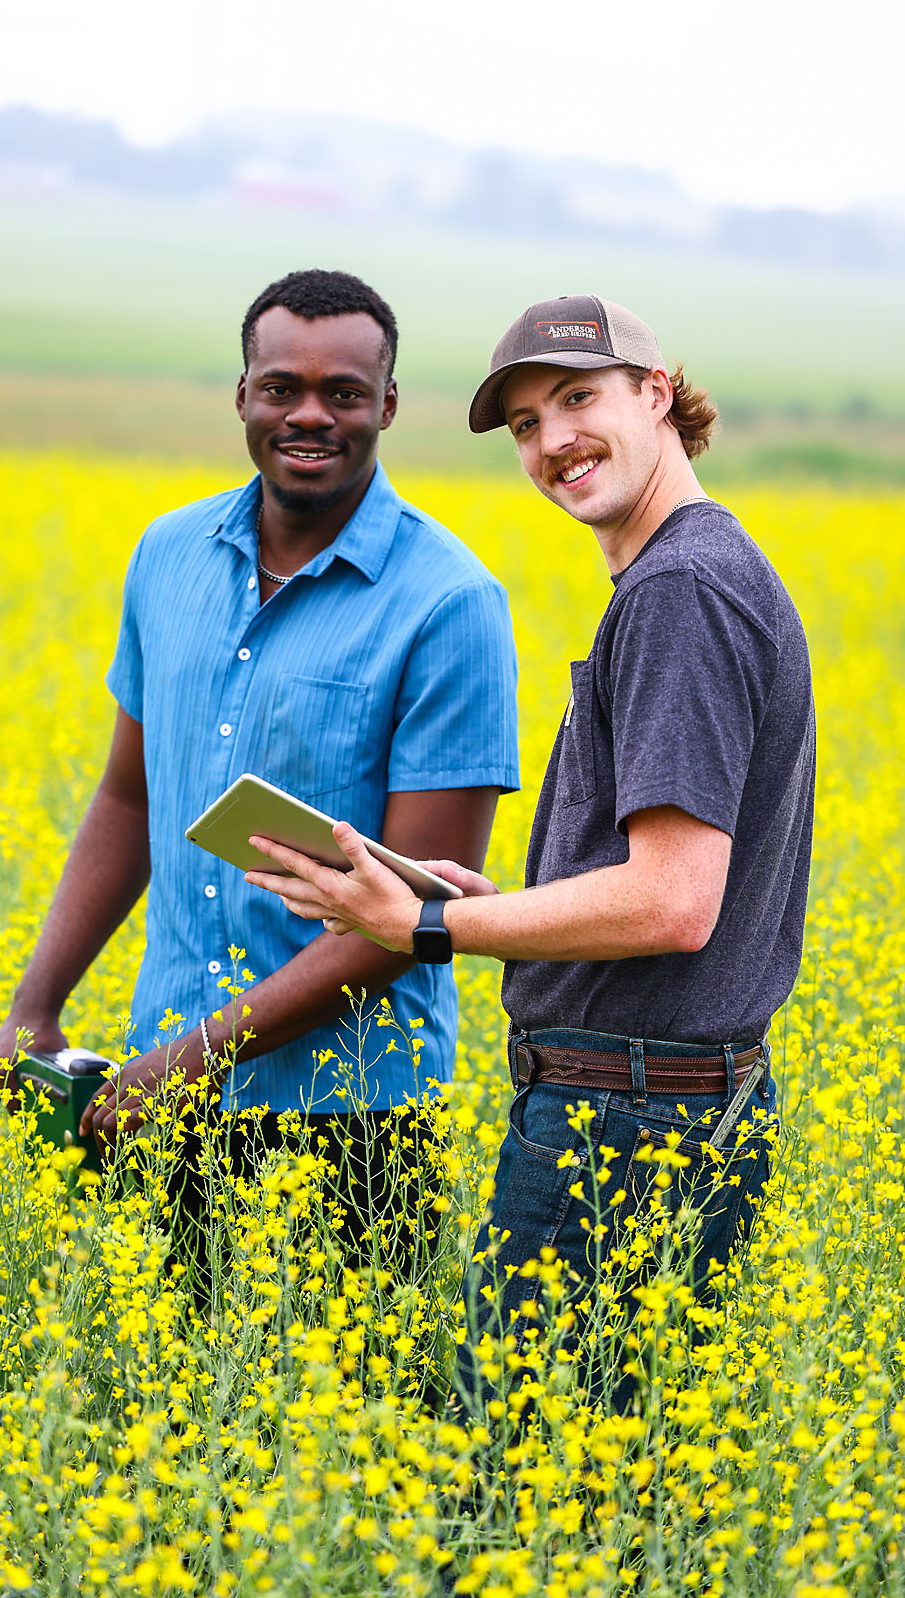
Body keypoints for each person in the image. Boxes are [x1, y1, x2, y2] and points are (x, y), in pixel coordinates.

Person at [244, 292, 816, 1414]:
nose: (551, 442)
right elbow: (657, 892)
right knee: (607, 1489)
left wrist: (419, 922)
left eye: (576, 399)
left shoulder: (679, 593)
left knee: (498, 1494)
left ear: (657, 396)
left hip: (622, 1122)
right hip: (676, 1111)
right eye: (522, 424)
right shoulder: (702, 569)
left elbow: (670, 904)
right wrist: (509, 907)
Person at [0, 269, 520, 1272]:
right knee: (187, 1408)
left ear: (388, 407)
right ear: (241, 393)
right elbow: (129, 794)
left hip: (356, 1116)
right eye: (280, 387)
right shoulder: (167, 555)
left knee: (354, 1417)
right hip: (166, 1088)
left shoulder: (449, 603)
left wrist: (181, 1066)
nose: (308, 415)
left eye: (344, 393)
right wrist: (35, 1007)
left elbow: (416, 918)